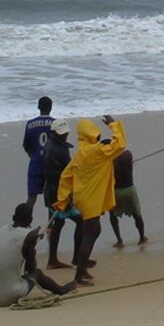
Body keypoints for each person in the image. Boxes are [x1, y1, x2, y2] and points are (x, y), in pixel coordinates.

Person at [54, 115, 126, 285]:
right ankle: (79, 275)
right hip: (91, 200)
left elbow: (66, 177)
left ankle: (83, 269)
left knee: (93, 231)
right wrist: (113, 125)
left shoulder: (80, 154)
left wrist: (62, 200)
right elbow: (120, 145)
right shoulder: (98, 151)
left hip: (83, 199)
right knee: (90, 234)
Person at [0, 202, 76, 306]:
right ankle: (60, 290)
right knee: (37, 274)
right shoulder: (29, 235)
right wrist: (32, 245)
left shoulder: (3, 229)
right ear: (31, 220)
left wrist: (33, 238)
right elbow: (30, 269)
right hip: (7, 296)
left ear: (13, 217)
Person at [42, 118, 76, 268]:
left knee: (57, 225)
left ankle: (52, 259)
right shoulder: (59, 150)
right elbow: (68, 172)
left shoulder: (49, 145)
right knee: (81, 222)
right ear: (54, 133)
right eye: (62, 134)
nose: (65, 136)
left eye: (66, 133)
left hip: (50, 192)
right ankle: (76, 258)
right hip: (59, 193)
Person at [108, 148, 147, 247]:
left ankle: (119, 240)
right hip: (129, 190)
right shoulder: (128, 155)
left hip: (115, 191)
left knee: (113, 215)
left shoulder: (108, 160)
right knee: (137, 215)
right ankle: (142, 237)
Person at [22, 96, 55, 213]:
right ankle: (51, 227)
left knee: (31, 198)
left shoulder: (30, 124)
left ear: (38, 107)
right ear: (51, 107)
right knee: (52, 198)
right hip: (51, 164)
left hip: (35, 163)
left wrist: (34, 156)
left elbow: (26, 146)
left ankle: (25, 224)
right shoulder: (56, 123)